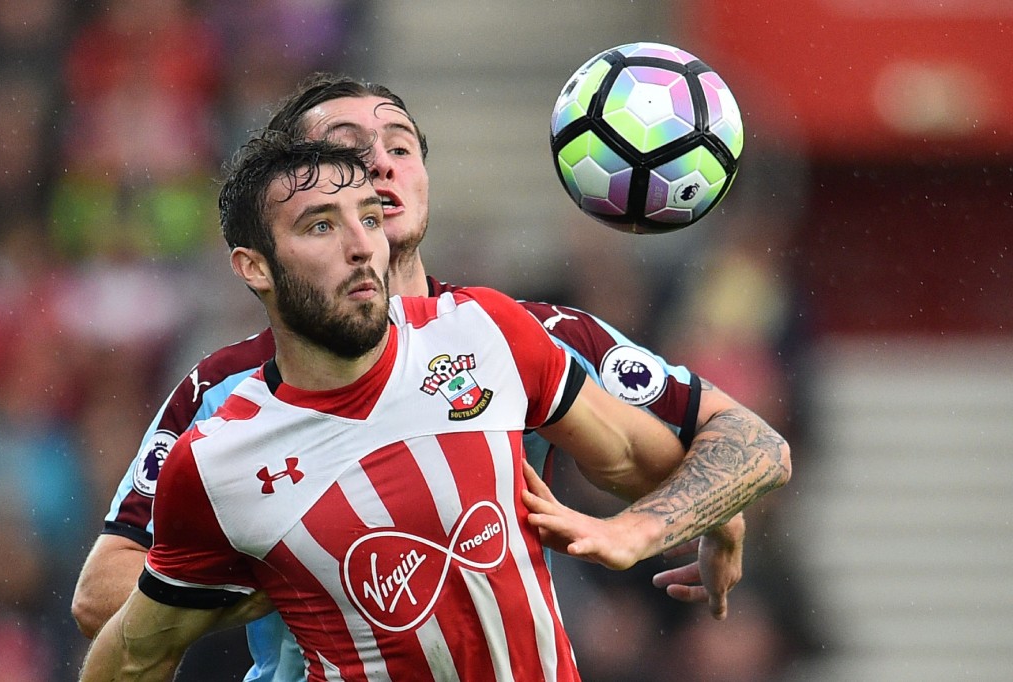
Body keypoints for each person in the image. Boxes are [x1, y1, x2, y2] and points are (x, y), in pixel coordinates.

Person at [72, 74, 791, 679]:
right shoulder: (223, 391)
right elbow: (104, 603)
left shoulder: (514, 332)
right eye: (347, 152)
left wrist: (695, 518)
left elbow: (735, 449)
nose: (380, 163)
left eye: (400, 146)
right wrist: (286, 558)